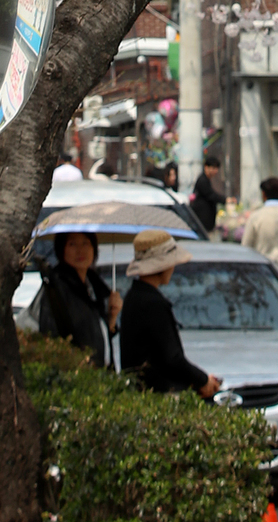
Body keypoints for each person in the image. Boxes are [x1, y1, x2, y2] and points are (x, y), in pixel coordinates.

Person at [119, 229, 222, 397]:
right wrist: (202, 380)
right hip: (156, 396)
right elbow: (171, 358)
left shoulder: (134, 297)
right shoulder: (152, 303)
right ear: (163, 264)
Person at [37, 231, 121, 367]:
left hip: (100, 377)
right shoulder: (58, 287)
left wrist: (112, 317)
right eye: (72, 244)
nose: (80, 250)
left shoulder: (94, 287)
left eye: (85, 243)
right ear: (61, 250)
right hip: (78, 376)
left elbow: (98, 337)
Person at [190, 153, 224, 236]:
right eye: (213, 168)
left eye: (216, 168)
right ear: (206, 167)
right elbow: (211, 195)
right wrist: (225, 200)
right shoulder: (203, 180)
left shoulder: (206, 180)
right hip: (203, 221)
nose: (215, 171)